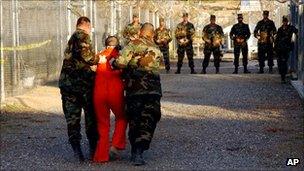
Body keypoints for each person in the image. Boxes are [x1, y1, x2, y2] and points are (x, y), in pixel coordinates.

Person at [110, 23, 162, 166]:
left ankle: (135, 151)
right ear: (152, 34)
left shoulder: (133, 44)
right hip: (153, 90)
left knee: (135, 119)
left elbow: (121, 62)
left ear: (140, 32)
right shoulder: (156, 48)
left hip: (135, 89)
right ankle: (140, 150)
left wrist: (114, 62)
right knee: (149, 119)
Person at [58, 16, 100, 162]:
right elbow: (87, 56)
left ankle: (77, 151)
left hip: (68, 86)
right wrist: (99, 60)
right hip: (83, 86)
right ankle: (93, 149)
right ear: (87, 26)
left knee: (72, 119)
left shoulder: (72, 39)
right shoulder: (82, 36)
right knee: (91, 118)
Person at [93, 36, 128, 163]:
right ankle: (116, 144)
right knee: (122, 117)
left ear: (105, 44)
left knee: (103, 124)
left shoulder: (98, 56)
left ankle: (101, 156)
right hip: (115, 92)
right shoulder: (119, 57)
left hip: (99, 93)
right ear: (117, 45)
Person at [274, 16, 298, 83]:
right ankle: (282, 75)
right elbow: (277, 39)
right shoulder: (280, 29)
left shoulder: (290, 28)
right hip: (279, 48)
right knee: (280, 63)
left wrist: (293, 42)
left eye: (286, 21)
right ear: (282, 22)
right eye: (284, 21)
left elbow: (297, 32)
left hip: (286, 48)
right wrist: (275, 48)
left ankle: (283, 78)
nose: (285, 23)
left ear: (287, 22)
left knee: (284, 63)